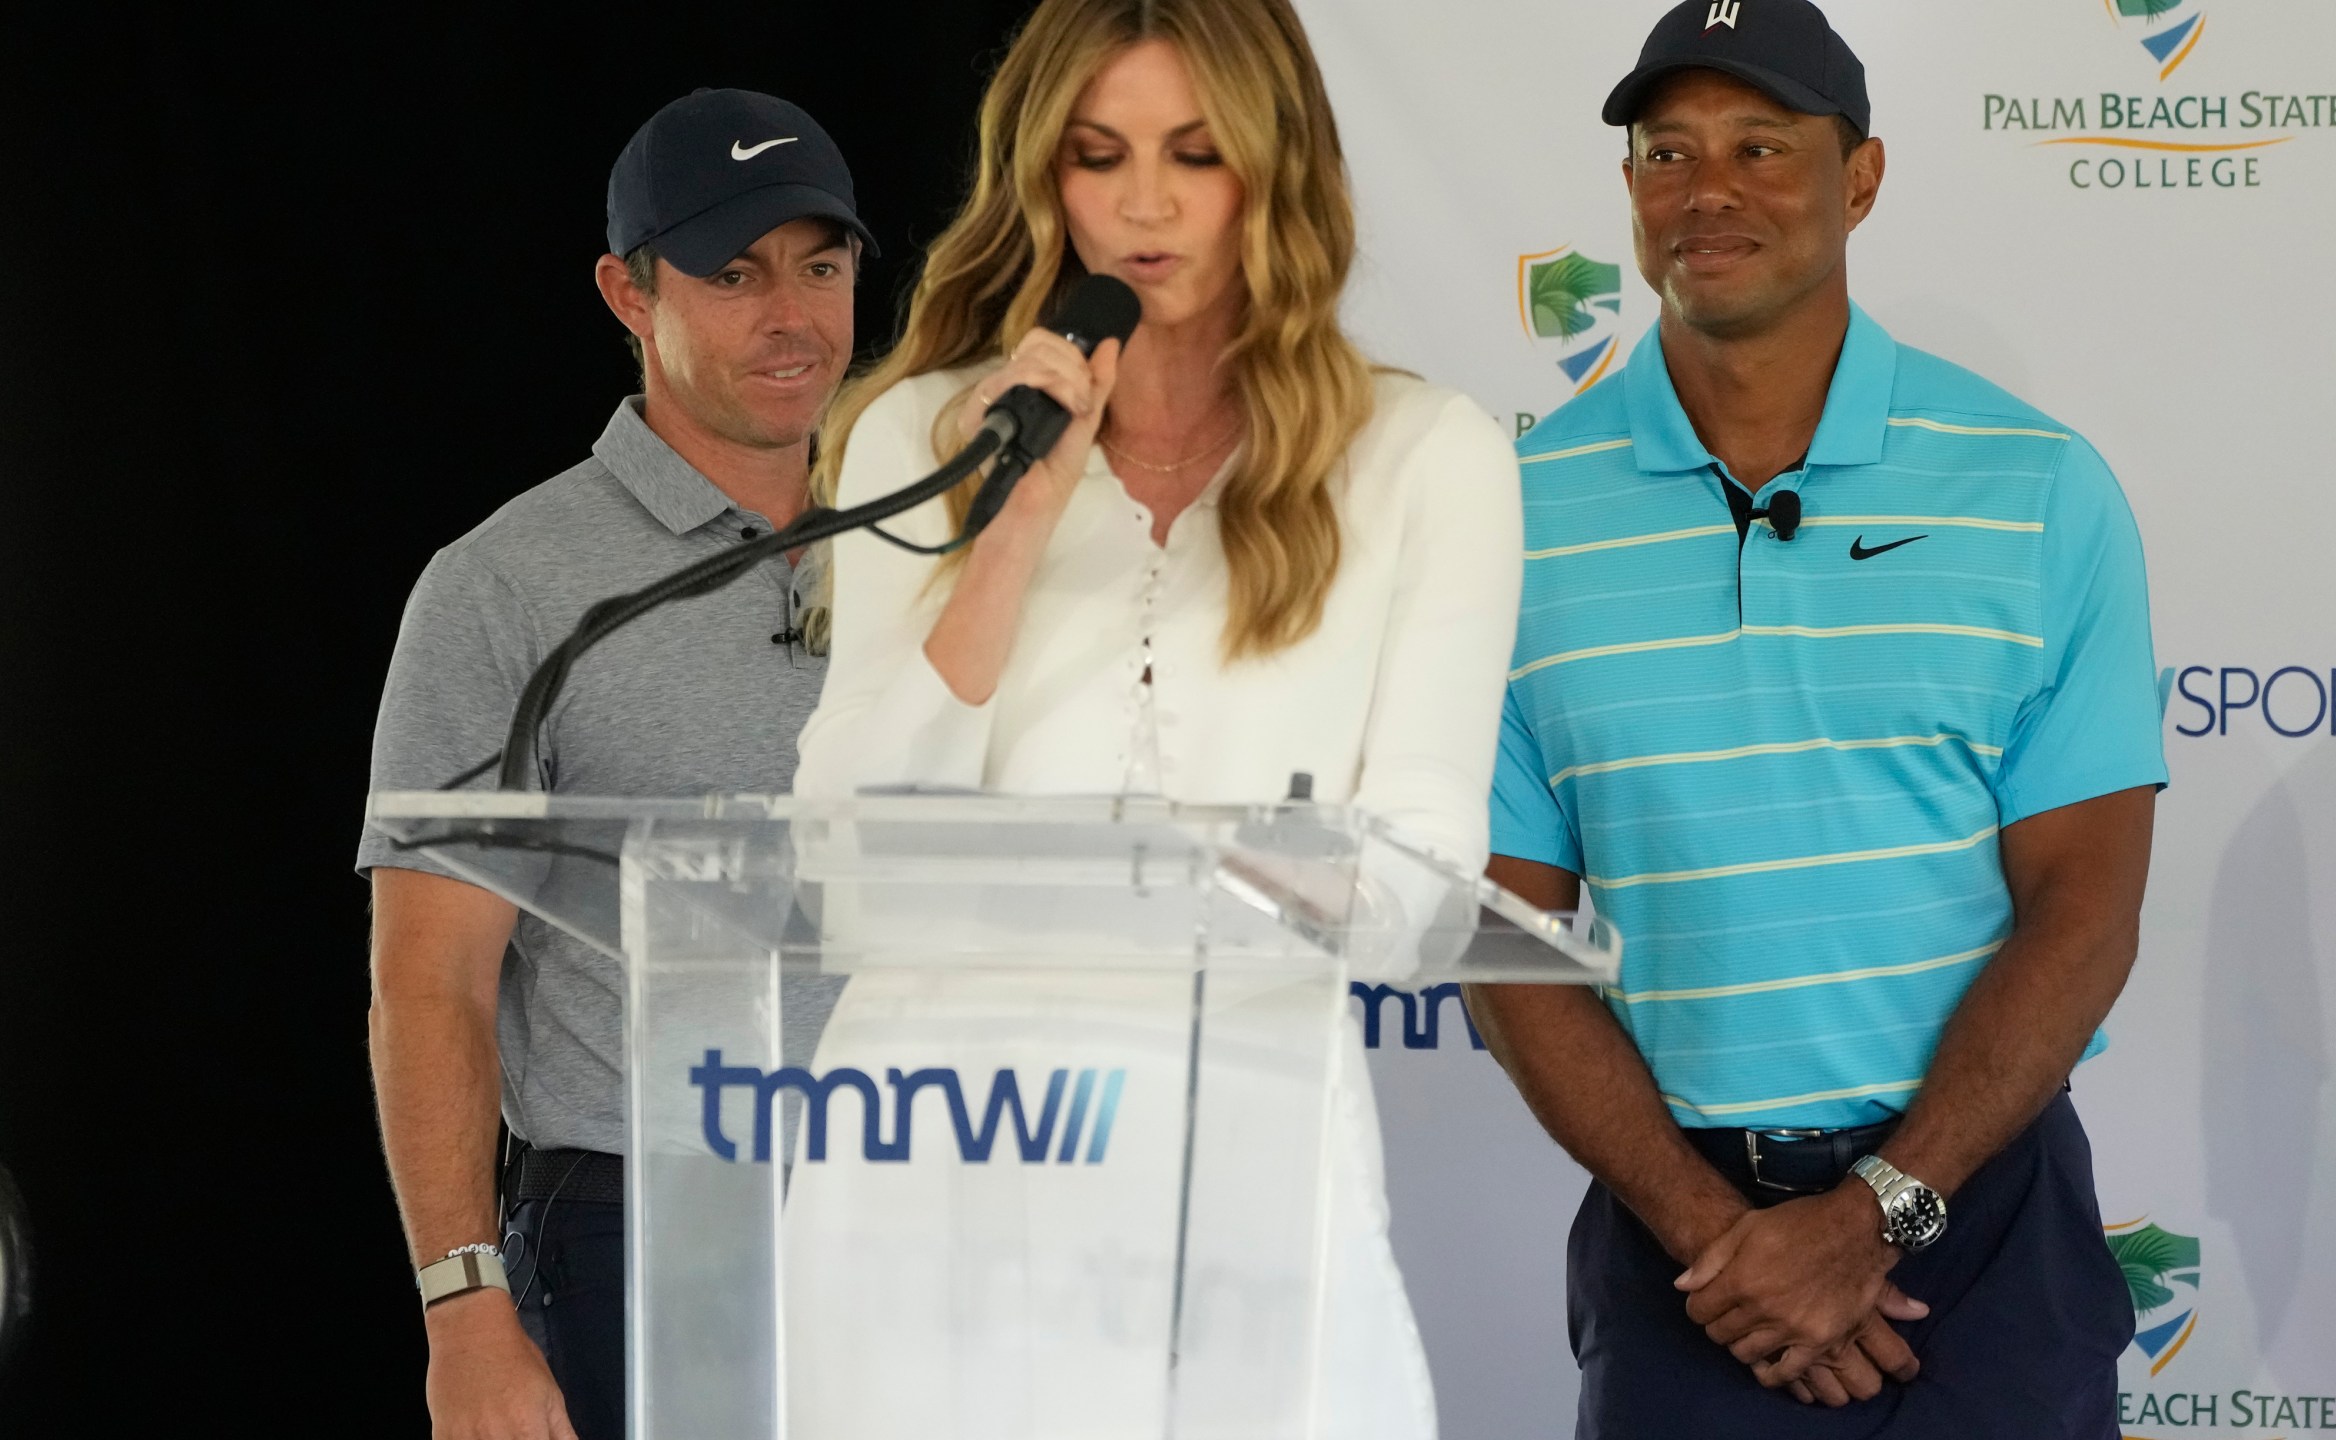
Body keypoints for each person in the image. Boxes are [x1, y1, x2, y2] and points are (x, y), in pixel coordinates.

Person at [788, 0, 1521, 1434]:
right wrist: (1012, 524)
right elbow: (846, 858)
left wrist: (1209, 884)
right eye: (1096, 154)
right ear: (1039, 177)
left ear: (1276, 167)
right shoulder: (923, 433)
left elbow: (1425, 884)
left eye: (1194, 154)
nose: (1139, 204)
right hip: (936, 1151)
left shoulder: (1427, 458)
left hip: (1239, 1166)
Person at [1467, 1, 2167, 1434]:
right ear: (1630, 193)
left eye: (1761, 145)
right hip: (1687, 1246)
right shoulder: (1509, 520)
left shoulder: (2038, 487)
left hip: (1981, 1227)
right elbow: (1501, 930)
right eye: (1667, 152)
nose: (1706, 190)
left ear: (1861, 179)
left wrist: (1873, 1218)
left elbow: (2085, 912)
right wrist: (1720, 1239)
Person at [359, 89, 869, 1440]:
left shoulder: (933, 552)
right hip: (646, 1232)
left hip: (928, 1198)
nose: (792, 315)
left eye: (823, 265)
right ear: (627, 291)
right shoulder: (502, 589)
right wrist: (465, 1311)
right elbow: (430, 984)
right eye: (734, 271)